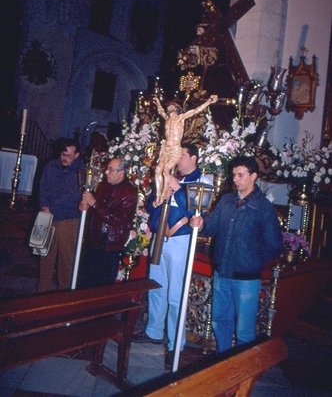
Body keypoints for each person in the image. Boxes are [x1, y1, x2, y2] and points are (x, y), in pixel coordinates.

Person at [190, 155, 283, 354]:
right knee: (220, 321)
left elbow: (274, 245)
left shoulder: (263, 208)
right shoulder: (227, 201)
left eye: (241, 175)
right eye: (234, 175)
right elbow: (212, 225)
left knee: (244, 330)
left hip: (246, 279)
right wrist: (202, 224)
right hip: (222, 272)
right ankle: (222, 361)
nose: (236, 179)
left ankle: (242, 372)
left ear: (253, 176)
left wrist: (252, 259)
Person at [132, 143, 212, 369]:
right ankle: (154, 332)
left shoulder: (203, 181)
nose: (178, 160)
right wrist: (157, 197)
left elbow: (198, 212)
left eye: (183, 156)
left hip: (180, 241)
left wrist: (177, 189)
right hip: (160, 240)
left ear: (194, 158)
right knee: (157, 288)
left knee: (176, 294)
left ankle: (175, 344)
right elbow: (150, 203)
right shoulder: (170, 177)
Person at [78, 157, 137, 287]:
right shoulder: (103, 186)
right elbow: (96, 210)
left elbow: (116, 219)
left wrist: (94, 203)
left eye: (110, 170)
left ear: (121, 173)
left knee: (102, 284)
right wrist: (86, 207)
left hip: (110, 243)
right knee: (85, 280)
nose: (106, 172)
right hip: (93, 239)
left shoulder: (129, 193)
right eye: (107, 169)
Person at [37, 139, 84, 292]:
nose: (65, 158)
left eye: (69, 156)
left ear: (76, 155)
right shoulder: (51, 166)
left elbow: (75, 196)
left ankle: (64, 293)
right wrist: (44, 207)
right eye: (63, 154)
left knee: (66, 259)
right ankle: (41, 292)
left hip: (67, 220)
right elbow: (42, 187)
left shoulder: (81, 171)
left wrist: (51, 209)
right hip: (46, 216)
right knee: (44, 257)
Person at [153, 94, 217, 206]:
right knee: (158, 170)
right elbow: (160, 111)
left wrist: (208, 102)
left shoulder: (181, 118)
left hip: (174, 149)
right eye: (168, 108)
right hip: (166, 148)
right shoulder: (167, 119)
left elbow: (196, 110)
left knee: (165, 171)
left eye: (171, 107)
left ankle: (163, 195)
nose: (169, 109)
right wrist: (158, 101)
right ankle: (159, 195)